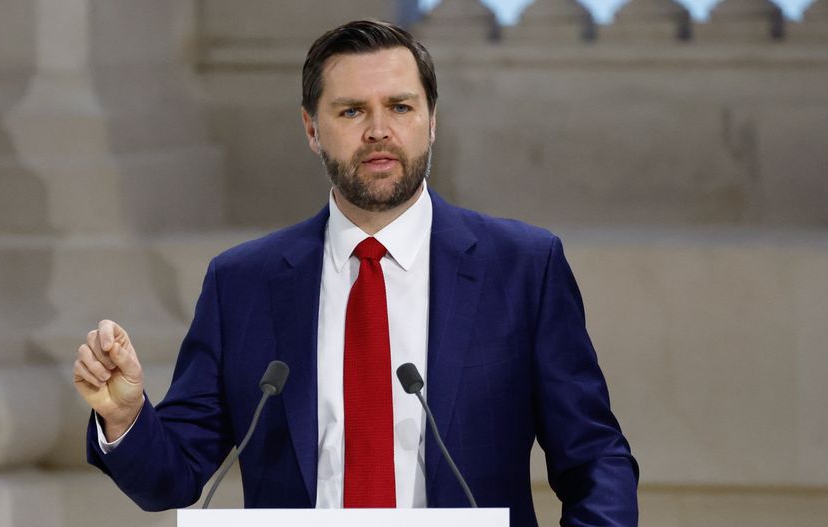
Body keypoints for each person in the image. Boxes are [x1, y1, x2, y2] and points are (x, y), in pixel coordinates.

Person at [73, 19, 638, 526]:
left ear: (431, 121)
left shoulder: (522, 267)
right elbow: (174, 478)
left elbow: (594, 459)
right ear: (311, 128)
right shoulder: (242, 283)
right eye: (351, 111)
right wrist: (125, 418)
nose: (378, 130)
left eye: (400, 106)